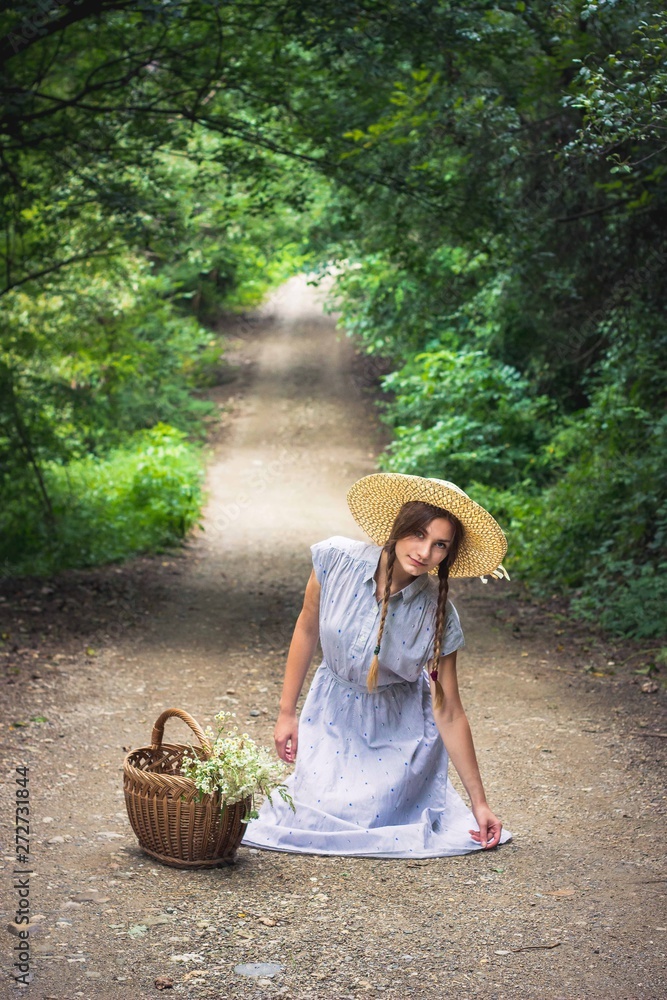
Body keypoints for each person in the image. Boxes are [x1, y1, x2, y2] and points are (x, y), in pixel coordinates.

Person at [241, 472, 512, 857]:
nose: (424, 552)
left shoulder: (438, 615)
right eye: (418, 534)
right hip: (331, 716)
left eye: (439, 545)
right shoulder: (335, 561)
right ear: (399, 527)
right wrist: (287, 714)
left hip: (398, 735)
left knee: (368, 821)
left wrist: (480, 803)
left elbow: (448, 710)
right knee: (315, 816)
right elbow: (306, 627)